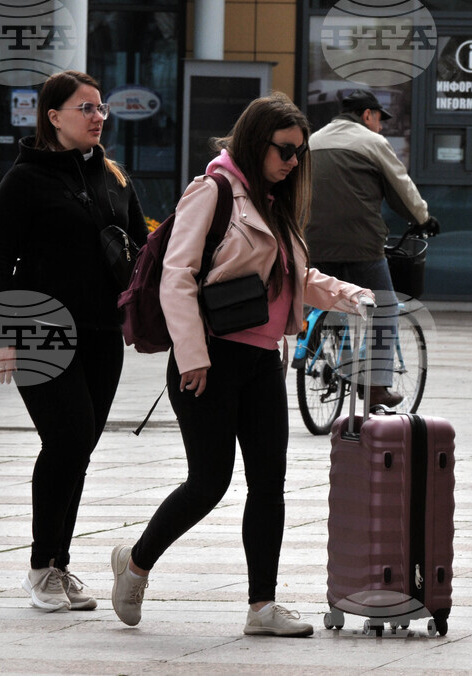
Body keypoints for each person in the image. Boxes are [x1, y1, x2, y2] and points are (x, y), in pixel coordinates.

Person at [109, 92, 374, 637]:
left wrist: (351, 294)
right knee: (208, 482)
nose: (293, 162)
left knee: (268, 484)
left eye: (299, 152)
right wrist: (192, 356)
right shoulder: (213, 191)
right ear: (256, 143)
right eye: (284, 150)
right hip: (208, 359)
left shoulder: (272, 202)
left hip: (260, 361)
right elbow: (176, 277)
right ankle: (134, 564)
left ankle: (262, 607)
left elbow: (291, 280)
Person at [0, 71, 147, 612]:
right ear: (54, 117)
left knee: (78, 449)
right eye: (86, 108)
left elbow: (141, 255)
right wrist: (5, 335)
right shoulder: (24, 181)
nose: (99, 116)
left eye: (101, 108)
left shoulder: (115, 178)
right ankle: (40, 569)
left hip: (103, 333)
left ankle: (59, 565)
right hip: (39, 331)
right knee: (68, 438)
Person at [305, 89, 439, 408]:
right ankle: (376, 386)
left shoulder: (313, 142)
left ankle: (328, 348)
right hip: (360, 244)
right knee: (385, 307)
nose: (381, 127)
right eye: (379, 119)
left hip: (313, 243)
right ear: (367, 115)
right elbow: (401, 188)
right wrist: (423, 218)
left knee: (327, 297)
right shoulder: (373, 143)